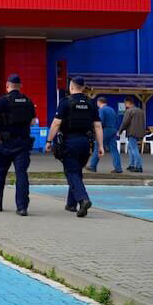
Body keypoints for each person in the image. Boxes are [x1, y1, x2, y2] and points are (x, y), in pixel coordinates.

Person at [46, 76, 103, 217]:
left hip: (70, 142)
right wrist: (100, 146)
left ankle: (83, 200)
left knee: (71, 172)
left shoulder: (66, 102)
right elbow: (98, 126)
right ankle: (71, 204)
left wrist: (48, 141)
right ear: (83, 88)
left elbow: (56, 123)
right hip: (86, 143)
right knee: (76, 171)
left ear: (71, 87)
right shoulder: (91, 103)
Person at [0, 74, 37, 216]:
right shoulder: (28, 101)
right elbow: (33, 122)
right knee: (21, 175)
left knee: (0, 173)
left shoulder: (3, 100)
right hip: (23, 144)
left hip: (6, 144)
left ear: (7, 86)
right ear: (20, 86)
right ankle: (22, 207)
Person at [89, 96, 122, 174]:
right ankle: (118, 168)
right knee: (114, 150)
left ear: (99, 102)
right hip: (113, 130)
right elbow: (117, 120)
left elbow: (100, 121)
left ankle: (92, 166)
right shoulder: (112, 110)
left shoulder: (101, 110)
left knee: (98, 146)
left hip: (105, 130)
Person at [119, 96, 146, 173]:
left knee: (134, 149)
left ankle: (138, 166)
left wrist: (120, 131)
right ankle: (132, 165)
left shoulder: (129, 111)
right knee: (131, 149)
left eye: (125, 103)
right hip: (139, 132)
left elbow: (125, 122)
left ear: (128, 103)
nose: (125, 105)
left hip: (132, 132)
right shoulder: (141, 111)